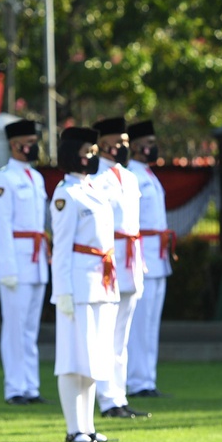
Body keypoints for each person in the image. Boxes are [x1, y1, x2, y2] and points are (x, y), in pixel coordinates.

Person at [51, 127, 119, 442]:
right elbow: (62, 248)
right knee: (71, 357)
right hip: (77, 285)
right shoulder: (66, 194)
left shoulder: (95, 190)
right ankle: (73, 428)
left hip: (100, 281)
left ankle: (88, 426)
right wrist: (61, 291)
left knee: (93, 358)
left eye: (93, 152)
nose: (91, 158)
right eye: (85, 153)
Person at [0, 119, 49, 405]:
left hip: (36, 260)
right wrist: (8, 267)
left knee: (30, 329)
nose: (35, 146)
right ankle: (15, 387)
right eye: (30, 141)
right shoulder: (4, 178)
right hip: (16, 261)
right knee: (14, 327)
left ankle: (31, 386)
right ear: (14, 145)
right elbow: (2, 226)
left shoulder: (35, 177)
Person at [91, 117, 148, 419]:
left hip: (131, 259)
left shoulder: (129, 177)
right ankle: (107, 397)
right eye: (120, 142)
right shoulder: (97, 179)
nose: (124, 148)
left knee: (121, 336)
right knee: (107, 333)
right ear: (105, 144)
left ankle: (119, 395)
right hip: (111, 260)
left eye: (126, 142)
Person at [125, 120, 173, 399]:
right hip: (141, 254)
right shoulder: (131, 174)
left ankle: (147, 378)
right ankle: (136, 380)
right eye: (148, 143)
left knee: (151, 323)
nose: (152, 148)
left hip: (157, 254)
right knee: (138, 324)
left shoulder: (148, 175)